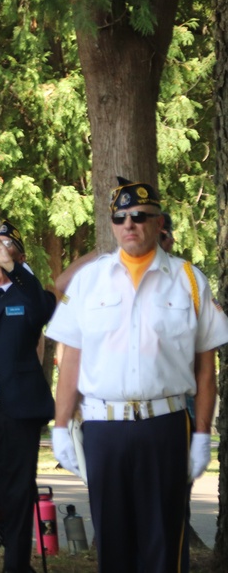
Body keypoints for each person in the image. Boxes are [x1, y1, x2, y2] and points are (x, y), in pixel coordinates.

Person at [47, 177, 228, 572]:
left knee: (163, 543)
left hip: (164, 426)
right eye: (121, 216)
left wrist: (201, 435)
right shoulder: (89, 281)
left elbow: (205, 370)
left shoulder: (188, 280)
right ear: (112, 224)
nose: (130, 224)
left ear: (159, 222)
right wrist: (60, 426)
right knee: (113, 544)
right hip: (103, 428)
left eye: (141, 216)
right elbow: (71, 362)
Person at [0, 220, 56, 573]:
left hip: (18, 411)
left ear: (18, 255)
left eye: (3, 245)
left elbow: (45, 308)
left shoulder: (28, 296)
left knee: (17, 497)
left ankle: (17, 568)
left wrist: (12, 265)